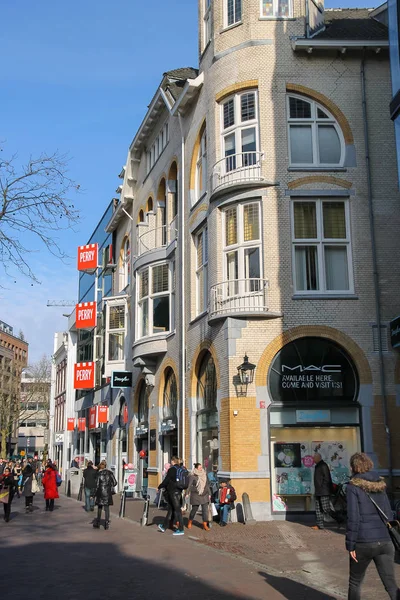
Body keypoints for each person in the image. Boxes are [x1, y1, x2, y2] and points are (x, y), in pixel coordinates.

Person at [346, 452, 399, 600]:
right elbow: (388, 514)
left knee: (355, 582)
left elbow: (353, 518)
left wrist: (350, 545)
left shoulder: (352, 487)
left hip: (363, 542)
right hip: (385, 541)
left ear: (353, 467)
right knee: (390, 584)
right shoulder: (380, 485)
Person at [157, 456, 185, 536]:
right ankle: (164, 526)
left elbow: (166, 480)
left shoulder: (172, 469)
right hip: (179, 491)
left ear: (173, 461)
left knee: (177, 511)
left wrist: (159, 487)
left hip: (173, 492)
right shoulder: (182, 469)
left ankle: (181, 529)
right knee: (171, 509)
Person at [312, 452, 336, 531]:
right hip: (319, 491)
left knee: (326, 508)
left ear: (318, 458)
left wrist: (324, 488)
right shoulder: (318, 466)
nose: (313, 459)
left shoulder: (323, 465)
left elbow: (327, 478)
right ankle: (320, 525)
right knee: (318, 509)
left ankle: (339, 519)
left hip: (323, 491)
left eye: (314, 458)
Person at [186, 463, 211, 531]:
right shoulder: (193, 476)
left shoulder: (204, 474)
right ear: (196, 468)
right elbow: (189, 485)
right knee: (194, 510)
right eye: (199, 467)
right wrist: (187, 493)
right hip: (196, 495)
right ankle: (190, 521)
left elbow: (207, 485)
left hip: (204, 494)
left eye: (201, 467)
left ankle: (205, 524)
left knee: (205, 510)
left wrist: (209, 494)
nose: (201, 468)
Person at [93, 461, 117, 530]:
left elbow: (97, 485)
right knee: (107, 508)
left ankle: (98, 522)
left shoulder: (99, 474)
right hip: (107, 493)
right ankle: (106, 523)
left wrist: (93, 494)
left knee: (100, 507)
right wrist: (109, 485)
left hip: (100, 493)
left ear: (100, 466)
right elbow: (115, 482)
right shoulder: (110, 473)